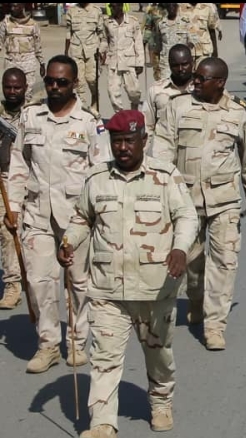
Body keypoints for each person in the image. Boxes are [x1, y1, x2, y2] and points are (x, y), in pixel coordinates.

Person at [58, 110, 198, 438]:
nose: (122, 148)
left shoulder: (165, 176)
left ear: (143, 141)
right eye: (116, 141)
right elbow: (82, 217)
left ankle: (161, 400)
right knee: (104, 358)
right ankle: (103, 423)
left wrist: (180, 249)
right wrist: (69, 241)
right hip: (108, 289)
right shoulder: (96, 178)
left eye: (129, 141)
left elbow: (187, 216)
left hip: (154, 288)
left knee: (158, 355)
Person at [151, 57, 246, 351]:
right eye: (196, 77)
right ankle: (196, 299)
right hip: (186, 202)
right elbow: (162, 150)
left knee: (225, 262)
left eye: (202, 78)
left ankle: (215, 326)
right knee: (192, 263)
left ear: (220, 83)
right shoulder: (178, 106)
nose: (196, 81)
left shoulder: (237, 113)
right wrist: (161, 193)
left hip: (224, 201)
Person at [6, 55, 110, 373]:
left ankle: (77, 341)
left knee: (78, 283)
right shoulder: (31, 116)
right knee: (39, 281)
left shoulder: (89, 122)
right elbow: (19, 163)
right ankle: (48, 345)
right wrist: (13, 207)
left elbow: (101, 173)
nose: (54, 86)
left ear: (74, 83)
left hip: (76, 218)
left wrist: (99, 216)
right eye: (50, 80)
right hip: (37, 214)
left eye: (61, 82)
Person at [0, 68, 26, 309]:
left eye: (17, 87)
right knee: (7, 230)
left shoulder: (34, 113)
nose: (12, 91)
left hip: (30, 177)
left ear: (25, 88)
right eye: (8, 87)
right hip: (4, 176)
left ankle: (26, 277)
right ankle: (13, 285)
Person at [143, 44, 193, 151]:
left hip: (192, 150)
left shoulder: (201, 90)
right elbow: (148, 126)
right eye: (175, 65)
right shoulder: (156, 91)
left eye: (184, 64)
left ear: (192, 63)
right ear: (169, 65)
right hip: (164, 150)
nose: (180, 69)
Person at [102, 3, 144, 113]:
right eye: (110, 6)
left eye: (114, 6)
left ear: (120, 6)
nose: (111, 8)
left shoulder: (132, 21)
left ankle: (134, 109)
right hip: (113, 62)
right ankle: (120, 115)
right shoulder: (107, 22)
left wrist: (140, 63)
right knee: (112, 92)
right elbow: (104, 40)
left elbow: (138, 42)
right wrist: (101, 52)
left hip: (129, 62)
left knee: (134, 91)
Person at [64, 3, 106, 112]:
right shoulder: (71, 11)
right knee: (79, 82)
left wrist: (102, 51)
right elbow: (68, 33)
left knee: (92, 79)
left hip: (92, 52)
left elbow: (102, 34)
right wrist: (66, 52)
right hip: (76, 51)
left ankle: (95, 101)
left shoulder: (96, 11)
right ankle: (81, 109)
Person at [0, 3, 44, 102]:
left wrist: (42, 63)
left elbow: (38, 45)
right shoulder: (5, 23)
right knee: (12, 93)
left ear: (22, 7)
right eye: (11, 6)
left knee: (27, 94)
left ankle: (26, 111)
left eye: (15, 6)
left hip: (28, 64)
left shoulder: (33, 24)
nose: (12, 8)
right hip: (11, 63)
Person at [154, 3, 194, 82]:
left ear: (177, 7)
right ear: (166, 8)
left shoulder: (185, 22)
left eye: (174, 6)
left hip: (182, 62)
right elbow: (158, 45)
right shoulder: (161, 24)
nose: (171, 8)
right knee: (165, 84)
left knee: (183, 83)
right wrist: (156, 65)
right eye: (169, 6)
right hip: (166, 63)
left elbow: (192, 42)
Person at [143, 3, 166, 81]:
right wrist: (145, 39)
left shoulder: (174, 9)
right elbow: (148, 26)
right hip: (157, 47)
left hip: (171, 48)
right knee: (158, 74)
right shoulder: (153, 10)